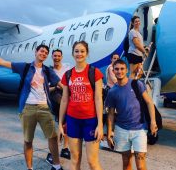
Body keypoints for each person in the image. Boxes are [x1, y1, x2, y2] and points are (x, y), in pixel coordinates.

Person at [0, 43, 63, 170]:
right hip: (28, 108)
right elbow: (2, 62)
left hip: (44, 108)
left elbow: (60, 84)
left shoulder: (47, 70)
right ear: (36, 52)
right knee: (28, 140)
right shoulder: (25, 67)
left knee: (53, 137)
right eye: (41, 51)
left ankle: (57, 166)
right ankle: (29, 168)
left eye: (46, 53)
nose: (43, 54)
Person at [58, 41, 104, 170]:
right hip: (73, 120)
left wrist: (100, 124)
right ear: (72, 54)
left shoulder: (94, 72)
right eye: (76, 51)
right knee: (75, 159)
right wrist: (60, 124)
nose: (79, 54)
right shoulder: (68, 74)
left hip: (90, 120)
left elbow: (99, 99)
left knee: (92, 161)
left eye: (82, 51)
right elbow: (64, 99)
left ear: (87, 53)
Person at [105, 59, 158, 170]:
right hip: (122, 129)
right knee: (126, 162)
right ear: (113, 71)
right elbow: (110, 114)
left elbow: (149, 102)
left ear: (127, 70)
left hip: (139, 129)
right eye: (117, 69)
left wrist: (153, 122)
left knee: (140, 164)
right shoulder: (112, 92)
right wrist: (109, 132)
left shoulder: (136, 84)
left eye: (122, 69)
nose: (119, 71)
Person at [47, 49, 72, 161]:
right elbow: (46, 88)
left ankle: (65, 148)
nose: (56, 57)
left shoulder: (67, 68)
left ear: (61, 57)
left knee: (67, 124)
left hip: (66, 96)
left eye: (58, 56)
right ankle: (52, 152)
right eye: (55, 56)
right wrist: (57, 87)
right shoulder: (48, 71)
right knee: (57, 126)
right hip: (55, 97)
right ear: (52, 57)